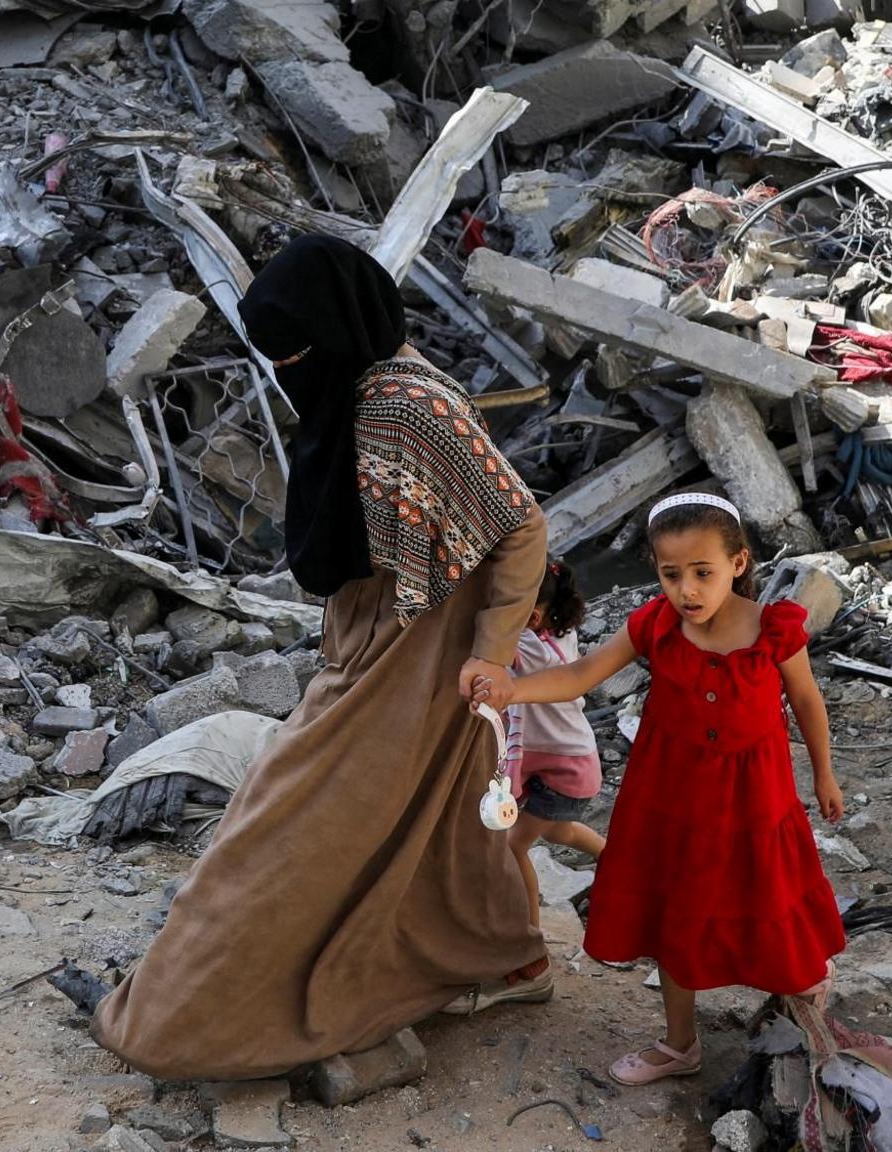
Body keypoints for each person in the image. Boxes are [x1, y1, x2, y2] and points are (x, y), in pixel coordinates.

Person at [86, 234, 552, 1079]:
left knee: (283, 824)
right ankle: (510, 958)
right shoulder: (360, 389)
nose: (291, 369)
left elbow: (518, 524)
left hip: (419, 651)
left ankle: (170, 1024)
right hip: (376, 638)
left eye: (300, 350)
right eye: (278, 357)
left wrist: (491, 656)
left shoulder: (407, 402)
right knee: (434, 815)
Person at [476, 492, 847, 1086]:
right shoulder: (654, 625)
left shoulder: (772, 630)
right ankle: (679, 1044)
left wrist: (824, 773)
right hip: (670, 800)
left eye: (703, 573)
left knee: (767, 891)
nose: (688, 590)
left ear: (739, 563)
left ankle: (797, 983)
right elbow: (579, 674)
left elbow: (806, 700)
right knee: (676, 910)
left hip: (755, 799)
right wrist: (510, 690)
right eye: (672, 574)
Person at [461, 560, 605, 968]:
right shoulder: (560, 633)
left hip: (565, 769)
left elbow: (482, 633)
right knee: (559, 831)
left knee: (514, 845)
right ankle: (615, 860)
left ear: (534, 615)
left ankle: (530, 940)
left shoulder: (529, 647)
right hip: (573, 758)